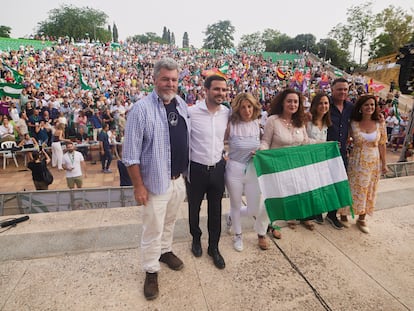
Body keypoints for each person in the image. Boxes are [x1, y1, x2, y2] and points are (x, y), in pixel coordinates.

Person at [122, 58, 190, 300]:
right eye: (165, 79)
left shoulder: (181, 104)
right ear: (154, 80)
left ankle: (165, 250)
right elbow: (129, 155)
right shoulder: (141, 109)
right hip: (154, 183)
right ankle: (151, 270)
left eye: (173, 79)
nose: (170, 84)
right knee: (152, 228)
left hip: (177, 179)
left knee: (170, 221)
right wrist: (138, 186)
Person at [186, 74, 229, 269]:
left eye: (224, 90)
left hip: (218, 168)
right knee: (194, 208)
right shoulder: (192, 112)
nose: (221, 93)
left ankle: (214, 246)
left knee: (216, 210)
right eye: (217, 89)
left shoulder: (226, 112)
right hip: (196, 169)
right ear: (206, 90)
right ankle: (196, 238)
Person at [260, 88, 310, 236]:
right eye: (289, 101)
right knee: (271, 200)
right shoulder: (272, 121)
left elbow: (306, 143)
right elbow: (265, 142)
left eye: (296, 101)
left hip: (294, 168)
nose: (292, 104)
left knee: (283, 200)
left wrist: (325, 144)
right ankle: (262, 232)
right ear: (282, 102)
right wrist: (260, 153)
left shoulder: (300, 122)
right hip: (276, 168)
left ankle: (273, 224)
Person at [224, 92, 270, 252]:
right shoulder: (231, 125)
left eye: (249, 106)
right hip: (234, 169)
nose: (247, 110)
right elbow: (221, 143)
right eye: (243, 107)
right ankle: (238, 235)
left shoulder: (257, 124)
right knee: (236, 204)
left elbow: (264, 143)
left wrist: (261, 151)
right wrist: (224, 154)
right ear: (237, 109)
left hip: (253, 170)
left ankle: (230, 216)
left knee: (253, 209)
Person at [338, 95, 387, 233]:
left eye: (372, 105)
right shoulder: (353, 123)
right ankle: (343, 214)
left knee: (368, 189)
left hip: (373, 161)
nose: (369, 107)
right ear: (360, 107)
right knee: (352, 187)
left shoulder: (380, 123)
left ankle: (362, 218)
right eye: (366, 105)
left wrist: (384, 164)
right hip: (356, 160)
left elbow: (382, 144)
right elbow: (346, 139)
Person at [326, 78, 353, 229]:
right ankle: (316, 213)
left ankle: (332, 214)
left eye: (345, 89)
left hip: (341, 152)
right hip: (324, 152)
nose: (343, 92)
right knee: (322, 183)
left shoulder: (350, 106)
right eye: (339, 89)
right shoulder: (325, 104)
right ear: (332, 89)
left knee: (338, 182)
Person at [306, 93, 332, 224]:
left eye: (326, 103)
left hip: (321, 159)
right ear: (315, 105)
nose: (323, 106)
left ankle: (316, 212)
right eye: (321, 103)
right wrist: (321, 144)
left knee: (318, 185)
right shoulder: (307, 120)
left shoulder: (326, 122)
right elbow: (303, 140)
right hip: (308, 158)